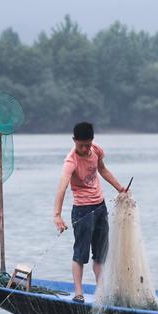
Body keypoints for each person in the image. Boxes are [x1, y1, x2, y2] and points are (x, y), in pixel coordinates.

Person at [54, 122, 126, 303]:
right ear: (74, 141)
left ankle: (100, 292)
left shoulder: (96, 150)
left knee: (100, 254)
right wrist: (57, 215)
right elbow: (62, 187)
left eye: (87, 144)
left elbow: (102, 169)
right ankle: (79, 292)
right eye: (81, 145)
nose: (85, 149)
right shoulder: (71, 161)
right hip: (82, 210)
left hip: (100, 207)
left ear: (92, 141)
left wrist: (120, 188)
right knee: (80, 254)